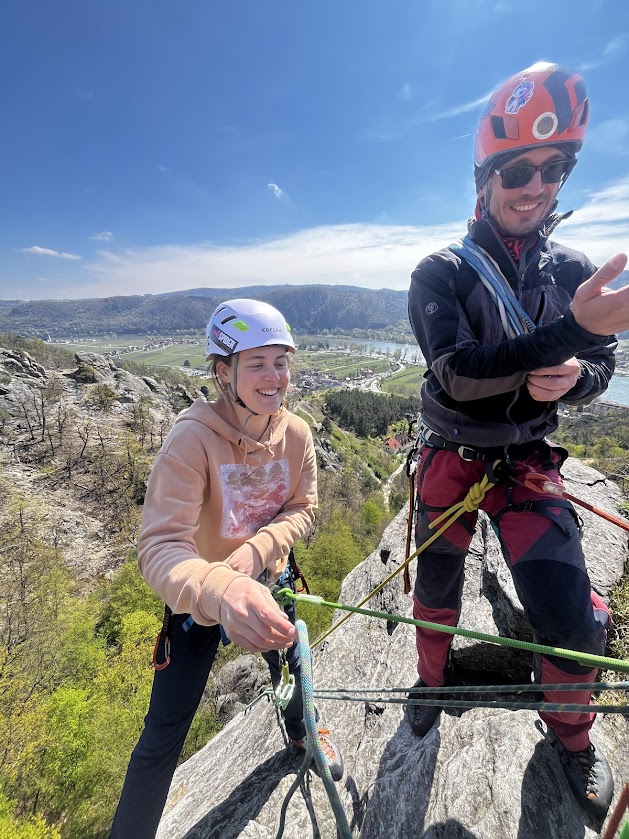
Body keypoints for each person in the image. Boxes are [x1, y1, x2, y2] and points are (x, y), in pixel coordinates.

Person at [406, 62, 629, 820]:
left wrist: (577, 377)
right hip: (453, 452)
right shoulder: (440, 273)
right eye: (517, 170)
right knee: (436, 589)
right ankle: (429, 685)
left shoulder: (573, 271)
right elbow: (457, 376)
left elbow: (601, 365)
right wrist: (569, 334)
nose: (535, 185)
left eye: (552, 168)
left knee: (570, 617)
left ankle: (572, 736)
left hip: (526, 460)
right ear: (486, 178)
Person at [111, 299, 343, 839]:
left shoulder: (297, 434)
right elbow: (159, 547)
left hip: (271, 580)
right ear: (223, 372)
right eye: (257, 363)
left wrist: (260, 550)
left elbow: (303, 507)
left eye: (281, 363)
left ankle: (305, 732)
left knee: (293, 669)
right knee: (162, 735)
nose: (274, 377)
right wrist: (221, 585)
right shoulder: (190, 440)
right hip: (200, 599)